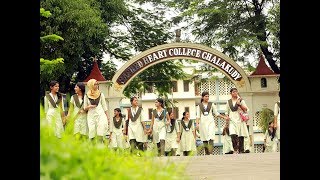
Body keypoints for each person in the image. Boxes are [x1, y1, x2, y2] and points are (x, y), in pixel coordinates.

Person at [83, 79, 109, 144]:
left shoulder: (101, 94)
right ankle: (93, 148)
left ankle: (100, 147)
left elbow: (104, 106)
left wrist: (107, 117)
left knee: (100, 131)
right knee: (92, 131)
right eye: (95, 84)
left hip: (100, 114)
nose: (96, 85)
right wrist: (89, 106)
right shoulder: (86, 96)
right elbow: (84, 108)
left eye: (97, 84)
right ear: (91, 85)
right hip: (91, 115)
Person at [225, 88, 249, 154]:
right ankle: (235, 149)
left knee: (241, 134)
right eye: (233, 92)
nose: (235, 93)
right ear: (231, 93)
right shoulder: (228, 102)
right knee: (233, 134)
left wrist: (239, 104)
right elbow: (226, 112)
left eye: (236, 91)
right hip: (232, 120)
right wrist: (227, 119)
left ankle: (241, 149)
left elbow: (246, 109)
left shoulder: (241, 100)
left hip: (240, 119)